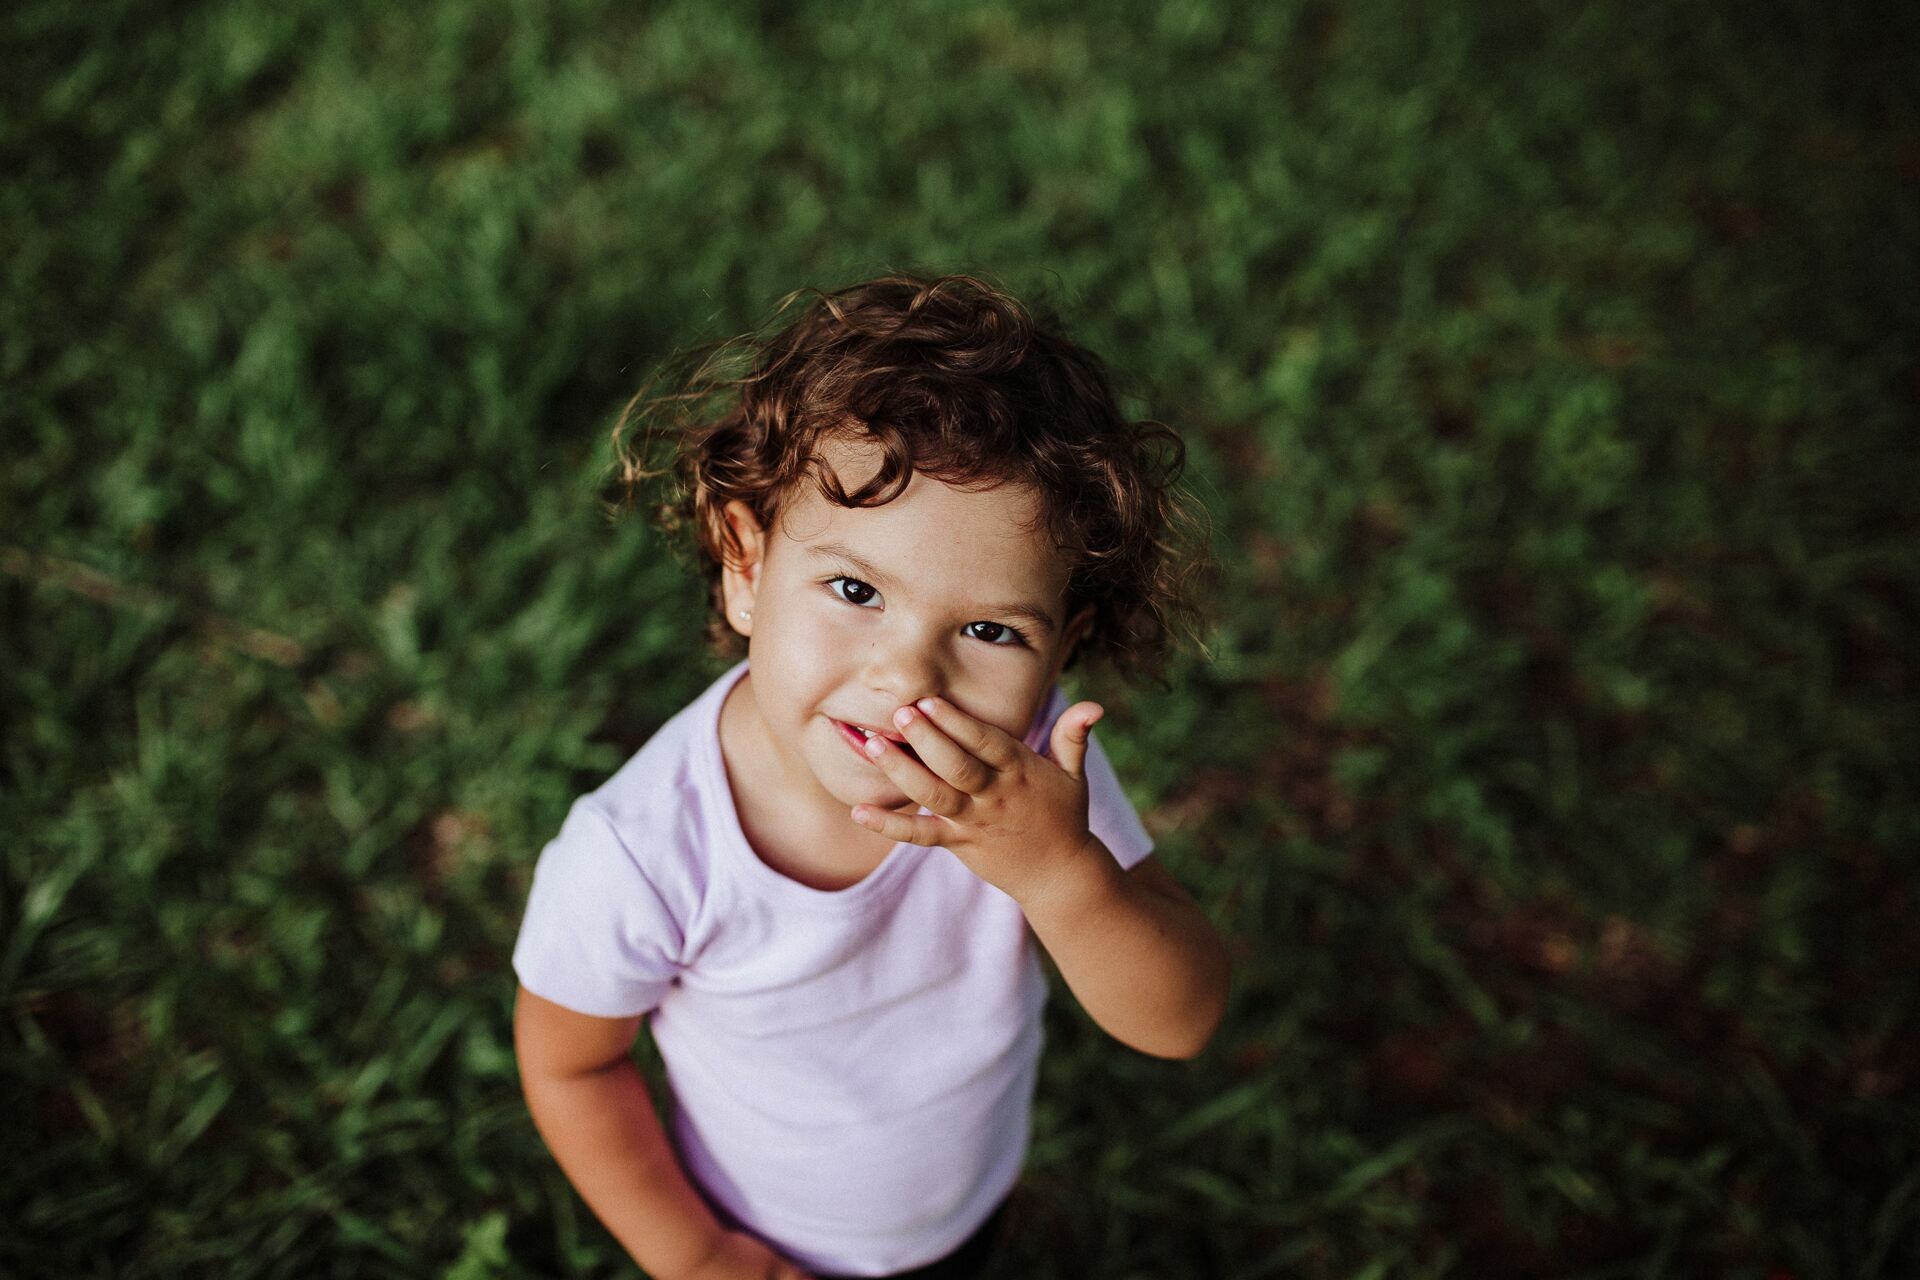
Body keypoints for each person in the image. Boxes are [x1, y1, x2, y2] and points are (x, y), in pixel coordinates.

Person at [511, 274, 1231, 1280]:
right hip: (768, 1243)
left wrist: (1062, 873)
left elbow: (1182, 1016)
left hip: (968, 1201)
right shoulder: (643, 850)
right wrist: (700, 1252)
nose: (907, 676)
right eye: (855, 589)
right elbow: (570, 1061)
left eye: (988, 629)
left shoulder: (1026, 776)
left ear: (1059, 647)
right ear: (744, 561)